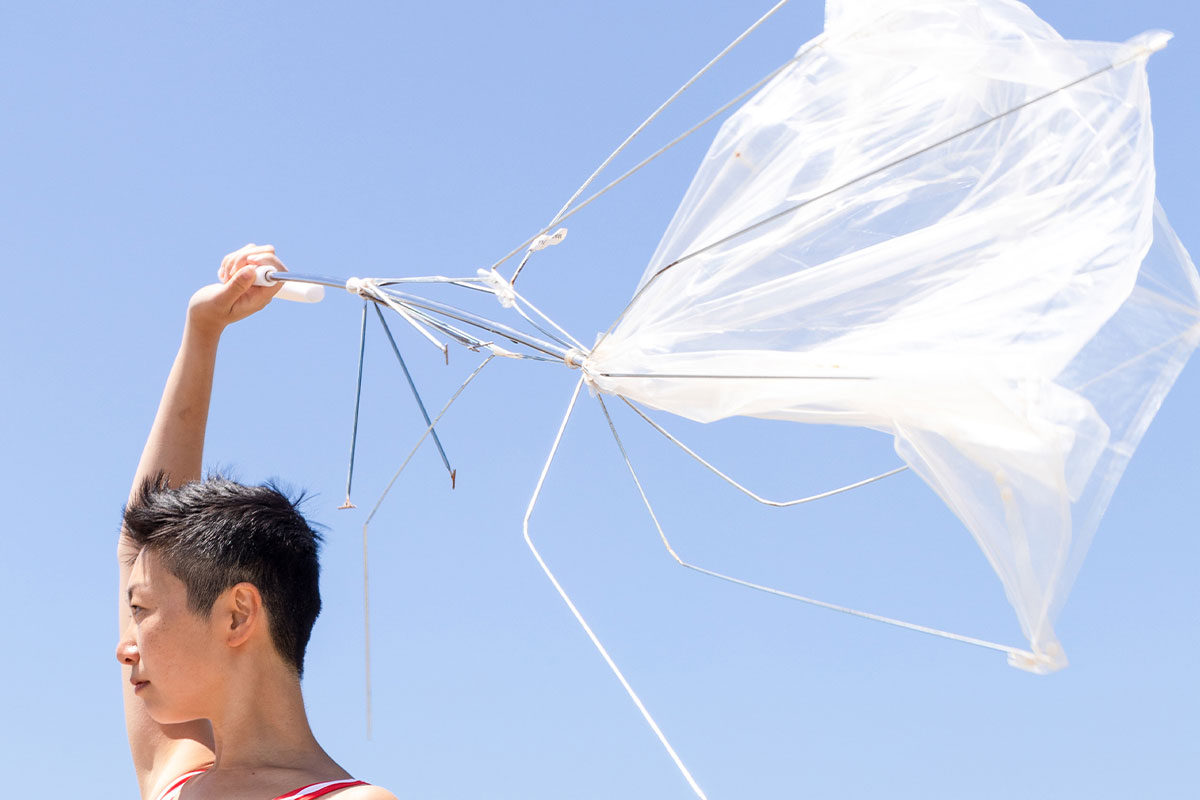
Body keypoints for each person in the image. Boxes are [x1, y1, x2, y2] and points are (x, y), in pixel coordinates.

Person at [116, 244, 396, 800]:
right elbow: (136, 544)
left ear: (239, 613)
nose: (125, 646)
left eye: (141, 610)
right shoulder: (178, 781)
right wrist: (203, 332)